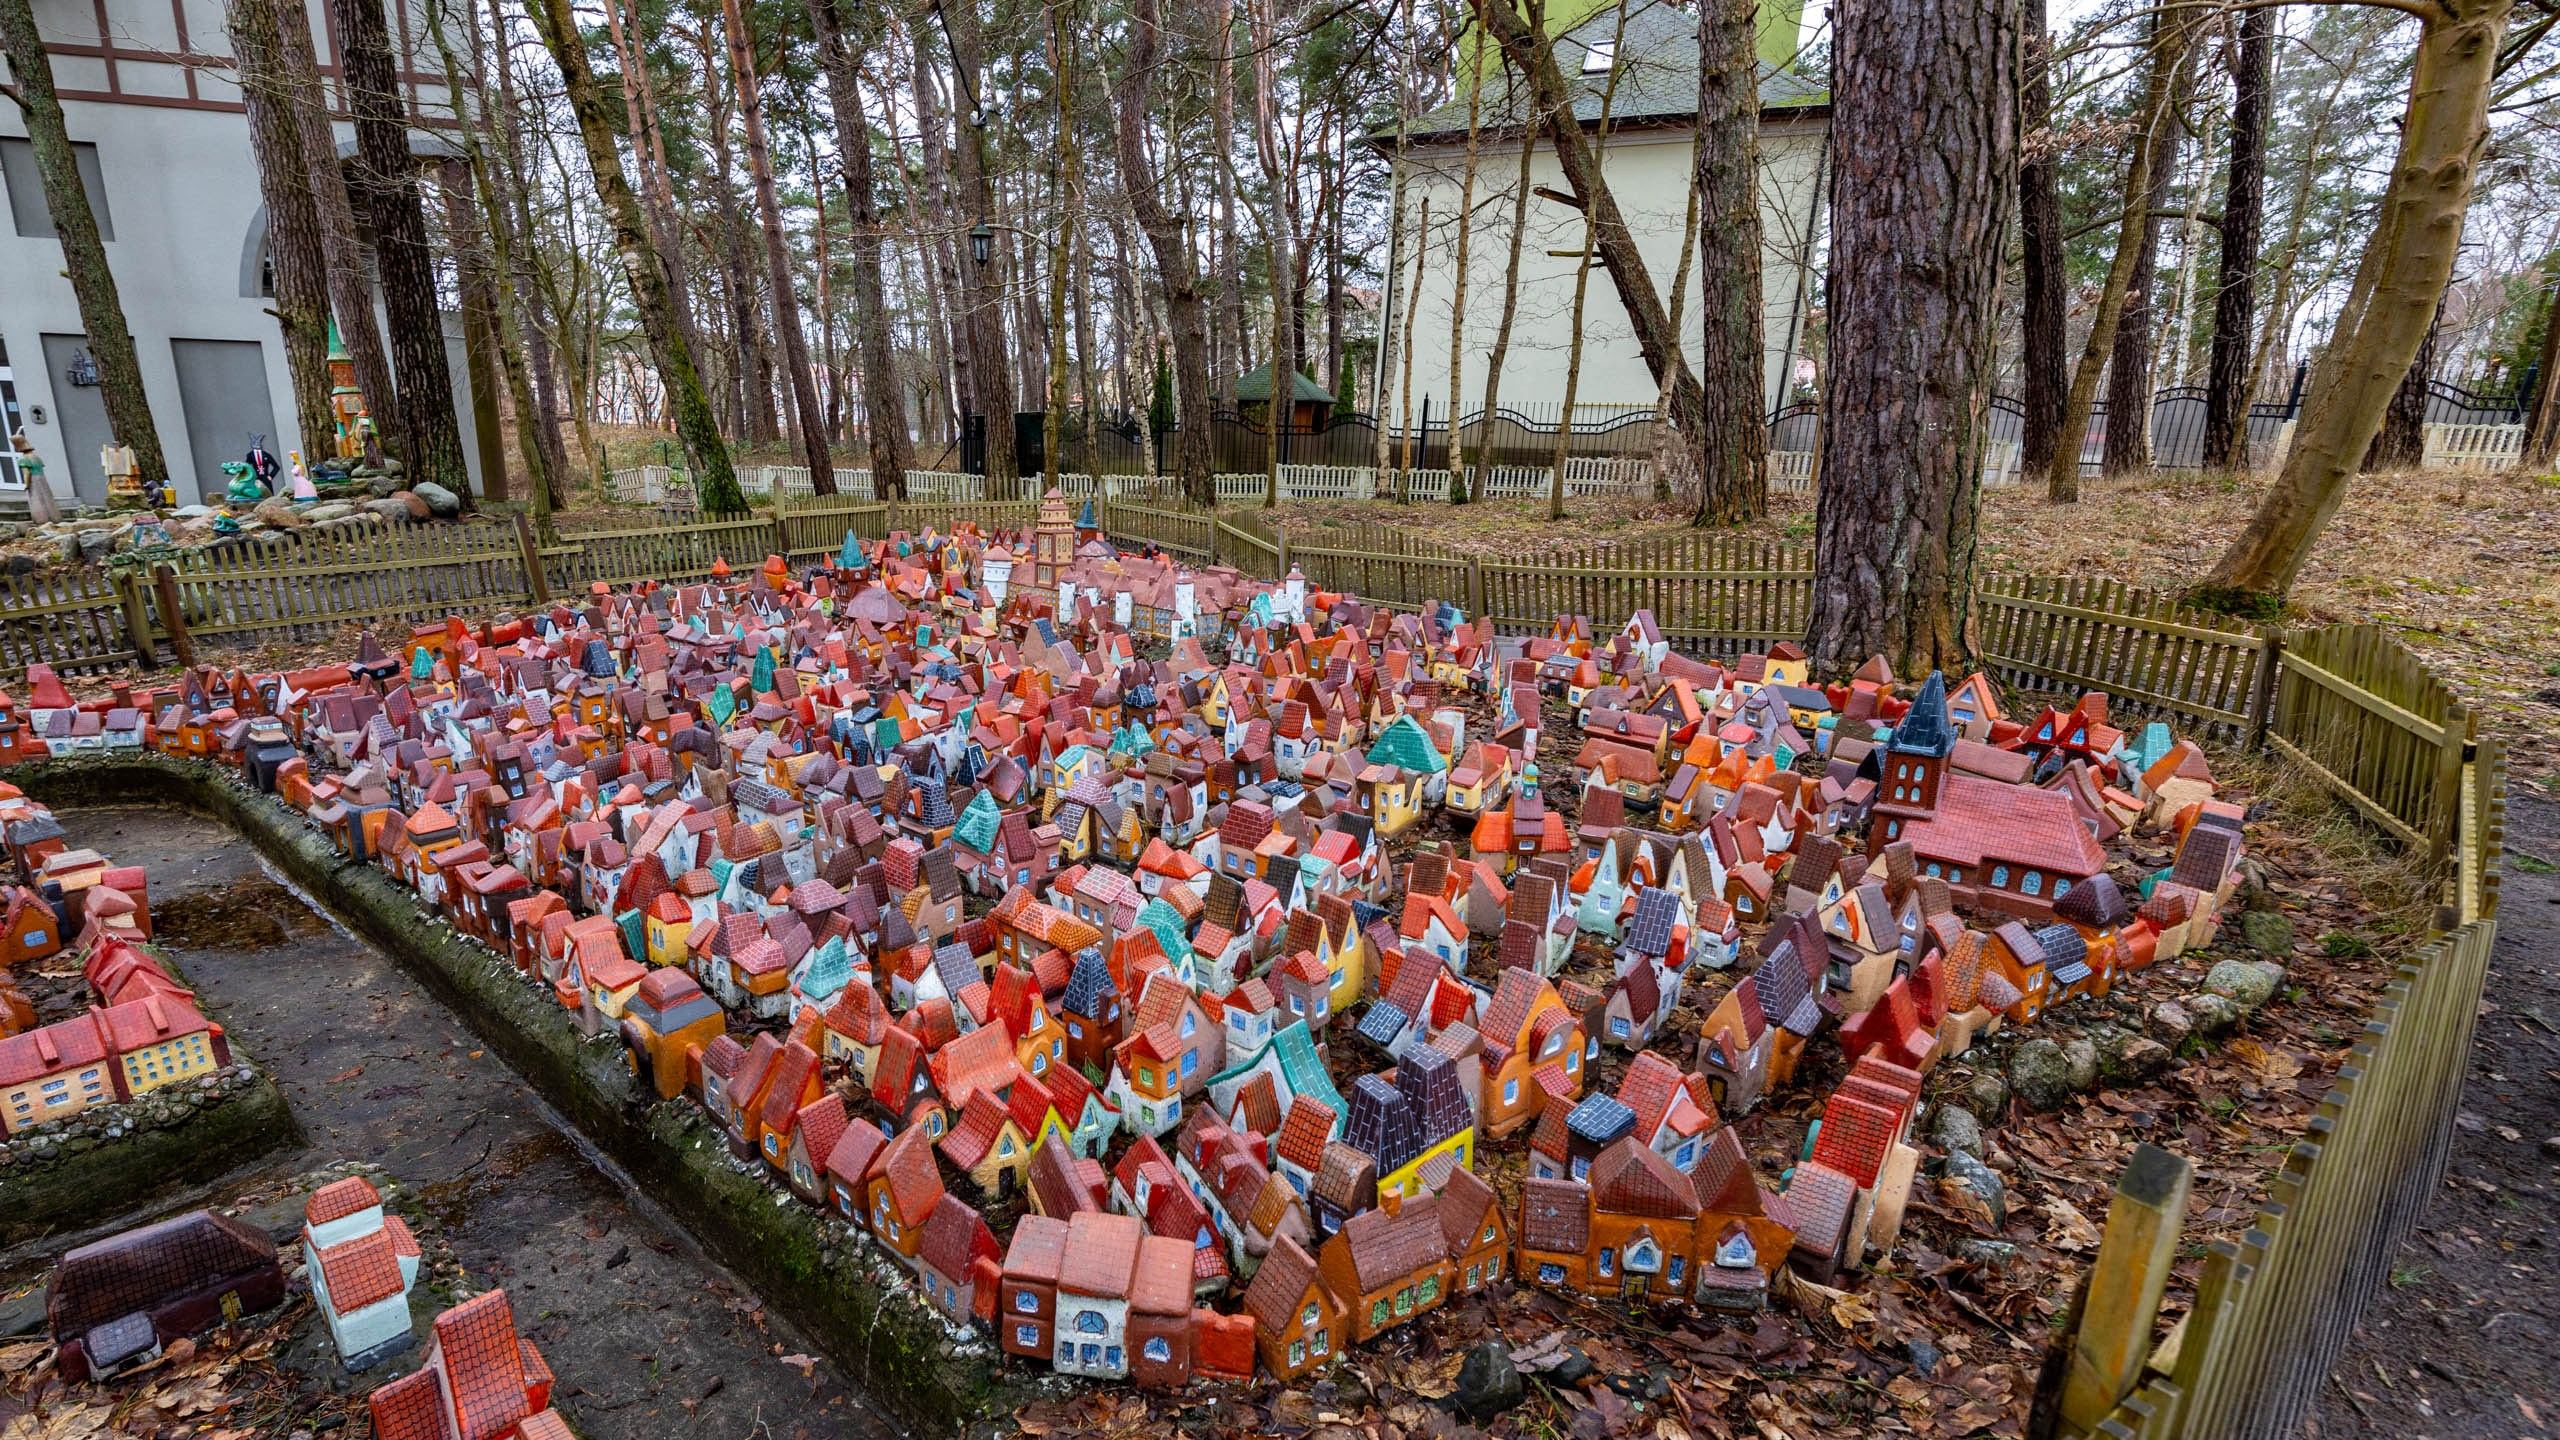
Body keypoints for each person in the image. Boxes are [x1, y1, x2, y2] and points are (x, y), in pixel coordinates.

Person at [8, 430, 60, 524]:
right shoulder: (36, 457)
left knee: (36, 499)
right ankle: (54, 517)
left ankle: (42, 520)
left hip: (34, 480)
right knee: (47, 498)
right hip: (42, 479)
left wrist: (26, 485)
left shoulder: (23, 459)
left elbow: (27, 473)